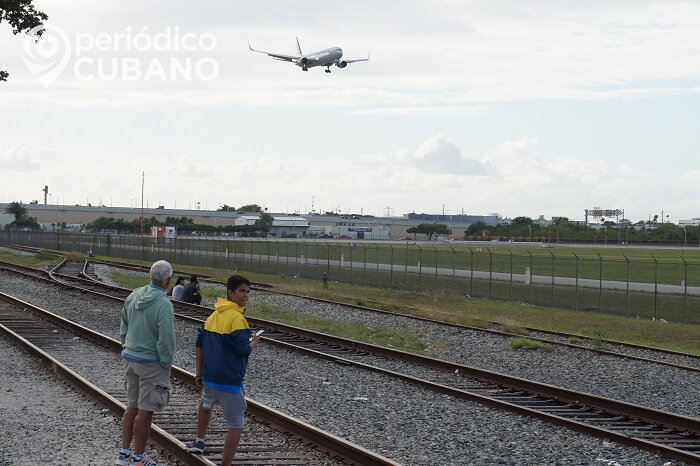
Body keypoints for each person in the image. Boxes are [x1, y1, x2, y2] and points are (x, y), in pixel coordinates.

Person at [186, 274, 261, 465]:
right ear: (231, 293)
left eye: (248, 291)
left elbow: (199, 344)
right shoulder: (238, 319)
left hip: (210, 377)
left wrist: (199, 372)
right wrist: (253, 342)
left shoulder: (213, 315)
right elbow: (242, 350)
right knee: (236, 424)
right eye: (242, 291)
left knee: (205, 405)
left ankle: (199, 441)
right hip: (230, 381)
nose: (246, 295)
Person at [117, 260, 176, 466]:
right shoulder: (163, 304)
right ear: (168, 280)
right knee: (145, 411)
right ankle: (139, 459)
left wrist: (126, 345)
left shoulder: (133, 296)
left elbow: (124, 325)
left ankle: (124, 455)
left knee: (131, 407)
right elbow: (166, 338)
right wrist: (166, 362)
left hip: (130, 358)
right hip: (151, 363)